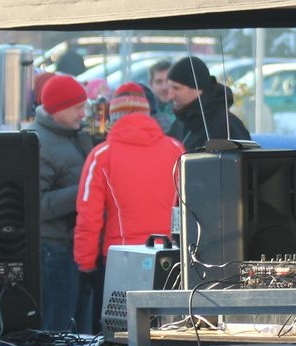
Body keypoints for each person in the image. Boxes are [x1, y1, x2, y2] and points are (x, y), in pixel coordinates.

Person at [74, 83, 184, 329]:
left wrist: (86, 265)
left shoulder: (102, 155)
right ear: (147, 114)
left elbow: (88, 217)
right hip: (168, 257)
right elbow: (189, 207)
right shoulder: (175, 149)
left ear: (114, 117)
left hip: (119, 261)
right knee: (164, 334)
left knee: (119, 336)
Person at [27, 75, 93, 332]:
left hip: (74, 246)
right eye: (78, 107)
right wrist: (86, 192)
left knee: (78, 325)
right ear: (57, 108)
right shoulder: (39, 143)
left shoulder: (73, 136)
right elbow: (37, 205)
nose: (83, 113)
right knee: (59, 325)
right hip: (54, 250)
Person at [167, 56, 251, 151]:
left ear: (198, 89)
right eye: (169, 87)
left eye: (176, 88)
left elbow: (243, 162)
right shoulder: (180, 123)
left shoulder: (226, 126)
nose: (170, 95)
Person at [148, 60, 175, 133]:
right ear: (151, 84)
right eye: (159, 82)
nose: (164, 87)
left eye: (168, 81)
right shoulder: (145, 111)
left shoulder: (186, 110)